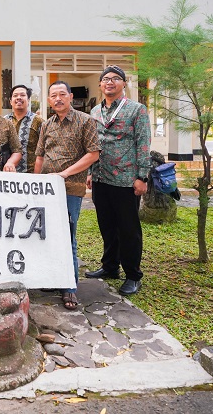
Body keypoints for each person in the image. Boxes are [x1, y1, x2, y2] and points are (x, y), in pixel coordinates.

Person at [35, 81, 101, 310]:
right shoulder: (46, 125)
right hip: (46, 190)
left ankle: (70, 287)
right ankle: (53, 278)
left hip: (70, 188)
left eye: (62, 94)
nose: (58, 99)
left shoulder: (85, 121)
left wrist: (64, 174)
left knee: (67, 237)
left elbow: (93, 154)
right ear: (49, 100)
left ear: (71, 97)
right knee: (46, 236)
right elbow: (40, 157)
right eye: (53, 95)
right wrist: (36, 183)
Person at [86, 66, 152, 297]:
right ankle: (110, 267)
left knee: (128, 229)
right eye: (105, 79)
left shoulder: (137, 110)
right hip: (101, 178)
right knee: (107, 226)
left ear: (124, 84)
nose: (110, 82)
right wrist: (90, 172)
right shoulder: (95, 111)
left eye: (115, 79)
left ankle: (133, 275)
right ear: (100, 85)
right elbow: (93, 144)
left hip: (126, 179)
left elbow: (143, 144)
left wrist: (142, 176)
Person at [5, 84, 44, 173]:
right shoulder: (4, 121)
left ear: (28, 100)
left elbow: (44, 150)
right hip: (8, 175)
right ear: (11, 101)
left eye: (22, 95)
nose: (19, 98)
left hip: (31, 175)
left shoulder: (38, 121)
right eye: (15, 96)